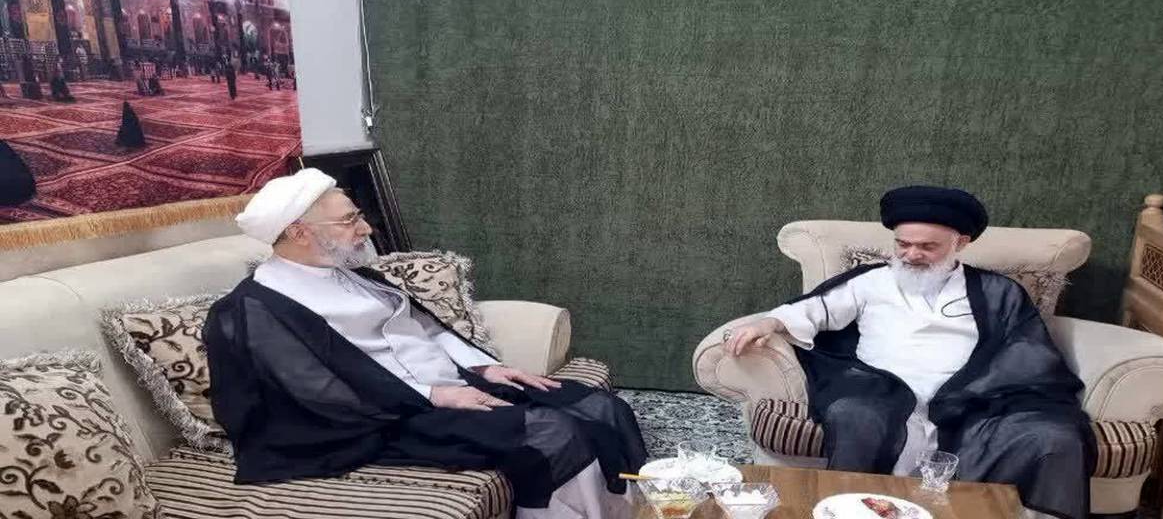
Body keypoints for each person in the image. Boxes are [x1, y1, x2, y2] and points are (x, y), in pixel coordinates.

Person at [203, 170, 646, 518]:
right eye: (349, 220)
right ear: (298, 232)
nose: (366, 228)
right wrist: (432, 395)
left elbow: (427, 329)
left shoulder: (352, 273)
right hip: (381, 418)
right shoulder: (253, 309)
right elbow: (315, 392)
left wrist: (484, 368)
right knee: (551, 433)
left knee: (600, 407)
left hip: (447, 385)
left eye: (358, 215)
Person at [724, 186, 1095, 519]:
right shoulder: (871, 281)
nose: (912, 254)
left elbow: (1025, 349)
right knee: (855, 415)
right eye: (903, 244)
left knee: (1054, 436)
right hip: (881, 391)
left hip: (973, 400)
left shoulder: (997, 291)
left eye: (927, 247)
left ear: (961, 243)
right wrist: (768, 323)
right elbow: (814, 309)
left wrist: (979, 390)